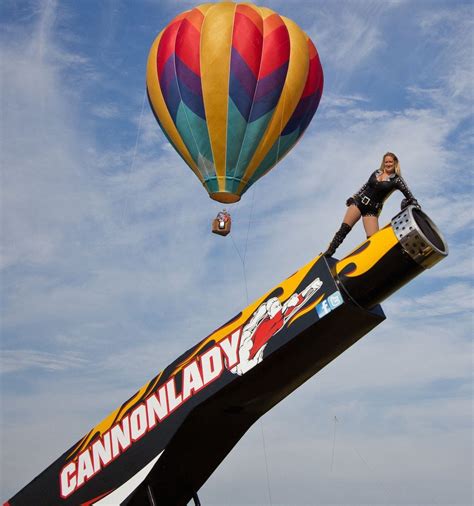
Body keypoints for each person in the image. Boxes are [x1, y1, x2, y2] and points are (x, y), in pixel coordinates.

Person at [324, 152, 420, 257]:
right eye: (386, 161)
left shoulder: (397, 180)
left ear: (395, 163)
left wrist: (408, 205)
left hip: (372, 211)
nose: (388, 164)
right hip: (359, 202)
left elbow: (410, 197)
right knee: (344, 229)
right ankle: (329, 253)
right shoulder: (377, 172)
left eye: (390, 162)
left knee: (373, 241)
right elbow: (365, 186)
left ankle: (369, 263)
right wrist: (353, 197)